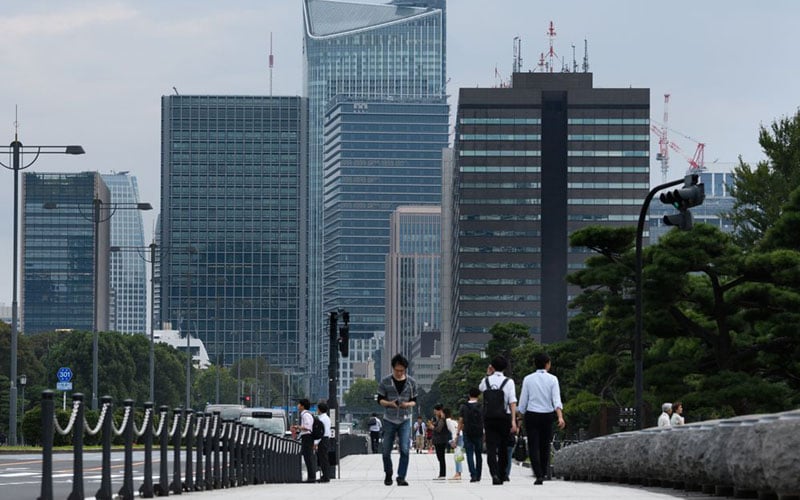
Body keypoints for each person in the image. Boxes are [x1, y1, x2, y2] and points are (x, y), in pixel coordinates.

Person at [518, 353, 566, 485]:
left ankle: (538, 473)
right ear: (547, 364)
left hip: (532, 414)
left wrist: (519, 416)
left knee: (533, 445)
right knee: (545, 445)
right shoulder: (553, 379)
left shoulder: (528, 379)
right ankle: (544, 472)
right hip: (547, 415)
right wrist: (560, 417)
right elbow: (556, 400)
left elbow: (523, 401)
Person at [377, 353, 418, 486]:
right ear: (393, 368)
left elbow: (414, 401)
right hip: (389, 418)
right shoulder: (385, 381)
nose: (399, 373)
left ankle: (401, 476)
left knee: (405, 449)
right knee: (386, 450)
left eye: (402, 370)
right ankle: (388, 472)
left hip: (405, 419)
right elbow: (380, 400)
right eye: (397, 370)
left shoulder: (411, 382)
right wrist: (390, 403)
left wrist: (407, 404)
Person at [479, 355, 517, 485]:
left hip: (489, 418)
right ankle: (501, 473)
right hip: (504, 417)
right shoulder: (509, 382)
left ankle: (493, 473)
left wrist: (487, 374)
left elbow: (480, 389)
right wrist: (513, 420)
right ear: (505, 367)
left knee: (491, 447)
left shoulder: (486, 381)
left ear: (492, 367)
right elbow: (512, 402)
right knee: (503, 447)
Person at [457, 387, 483, 482]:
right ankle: (479, 474)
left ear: (469, 395)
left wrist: (457, 432)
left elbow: (460, 420)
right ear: (478, 395)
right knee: (478, 454)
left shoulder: (464, 406)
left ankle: (473, 475)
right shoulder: (481, 406)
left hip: (467, 432)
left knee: (469, 454)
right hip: (479, 432)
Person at [292, 398, 317, 483]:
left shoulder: (305, 415)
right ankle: (311, 476)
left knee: (308, 457)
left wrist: (298, 427)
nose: (297, 406)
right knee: (307, 457)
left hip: (307, 437)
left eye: (299, 404)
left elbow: (307, 427)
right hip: (306, 437)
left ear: (302, 406)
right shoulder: (305, 414)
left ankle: (311, 477)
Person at [431, 404, 449, 479]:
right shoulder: (438, 419)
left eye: (436, 411)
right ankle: (442, 473)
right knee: (440, 457)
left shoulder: (442, 419)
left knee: (441, 457)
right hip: (438, 440)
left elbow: (439, 429)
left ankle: (442, 474)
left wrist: (432, 427)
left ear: (439, 411)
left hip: (441, 440)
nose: (435, 413)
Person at [315, 402, 332, 482]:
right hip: (325, 439)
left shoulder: (322, 419)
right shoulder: (326, 418)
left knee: (323, 458)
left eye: (317, 408)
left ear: (320, 409)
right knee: (323, 458)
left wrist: (316, 442)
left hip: (322, 439)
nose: (316, 410)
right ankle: (325, 475)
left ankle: (325, 477)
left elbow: (321, 432)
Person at [446, 407, 462, 480]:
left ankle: (458, 473)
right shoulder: (452, 421)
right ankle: (458, 473)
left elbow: (453, 431)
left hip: (458, 437)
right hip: (459, 436)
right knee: (457, 455)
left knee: (457, 456)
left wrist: (454, 440)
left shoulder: (448, 421)